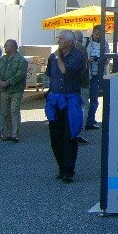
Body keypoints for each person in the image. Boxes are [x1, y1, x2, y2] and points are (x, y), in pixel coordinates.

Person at [44, 30, 85, 183]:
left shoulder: (78, 56)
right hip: (55, 100)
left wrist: (58, 57)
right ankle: (61, 167)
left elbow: (65, 70)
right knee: (55, 138)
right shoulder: (52, 57)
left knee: (70, 136)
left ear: (69, 42)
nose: (58, 41)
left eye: (61, 39)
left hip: (71, 101)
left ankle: (69, 170)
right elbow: (50, 74)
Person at [0, 39, 28, 143]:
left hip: (16, 89)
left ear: (13, 47)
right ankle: (7, 132)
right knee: (5, 112)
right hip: (4, 90)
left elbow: (20, 74)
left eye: (7, 46)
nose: (5, 47)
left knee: (14, 111)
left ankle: (14, 134)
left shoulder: (21, 60)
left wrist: (8, 82)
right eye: (4, 46)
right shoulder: (3, 59)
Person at [85, 25, 108, 129]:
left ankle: (90, 121)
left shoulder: (105, 44)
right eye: (97, 34)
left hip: (97, 74)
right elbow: (80, 57)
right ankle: (83, 121)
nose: (98, 37)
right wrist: (87, 60)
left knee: (94, 99)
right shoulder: (85, 42)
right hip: (86, 74)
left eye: (100, 35)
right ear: (93, 33)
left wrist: (101, 59)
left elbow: (108, 60)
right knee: (84, 99)